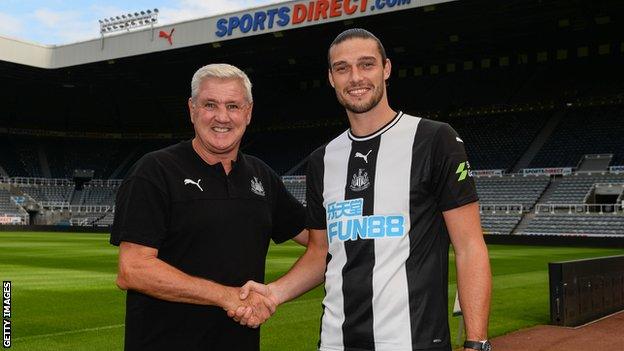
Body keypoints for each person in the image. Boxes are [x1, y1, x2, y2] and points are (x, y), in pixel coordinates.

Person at [232, 29, 492, 351]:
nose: (355, 77)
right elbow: (319, 252)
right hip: (335, 341)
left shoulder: (434, 140)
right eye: (342, 68)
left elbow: (469, 246)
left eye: (366, 65)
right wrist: (273, 293)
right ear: (331, 78)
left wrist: (476, 341)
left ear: (386, 69)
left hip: (414, 339)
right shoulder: (322, 160)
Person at [110, 63, 308, 351]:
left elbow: (320, 240)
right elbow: (133, 269)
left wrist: (275, 293)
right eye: (210, 105)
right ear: (192, 109)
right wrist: (226, 296)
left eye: (233, 106)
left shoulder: (262, 176)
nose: (222, 117)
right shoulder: (155, 170)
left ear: (248, 113)